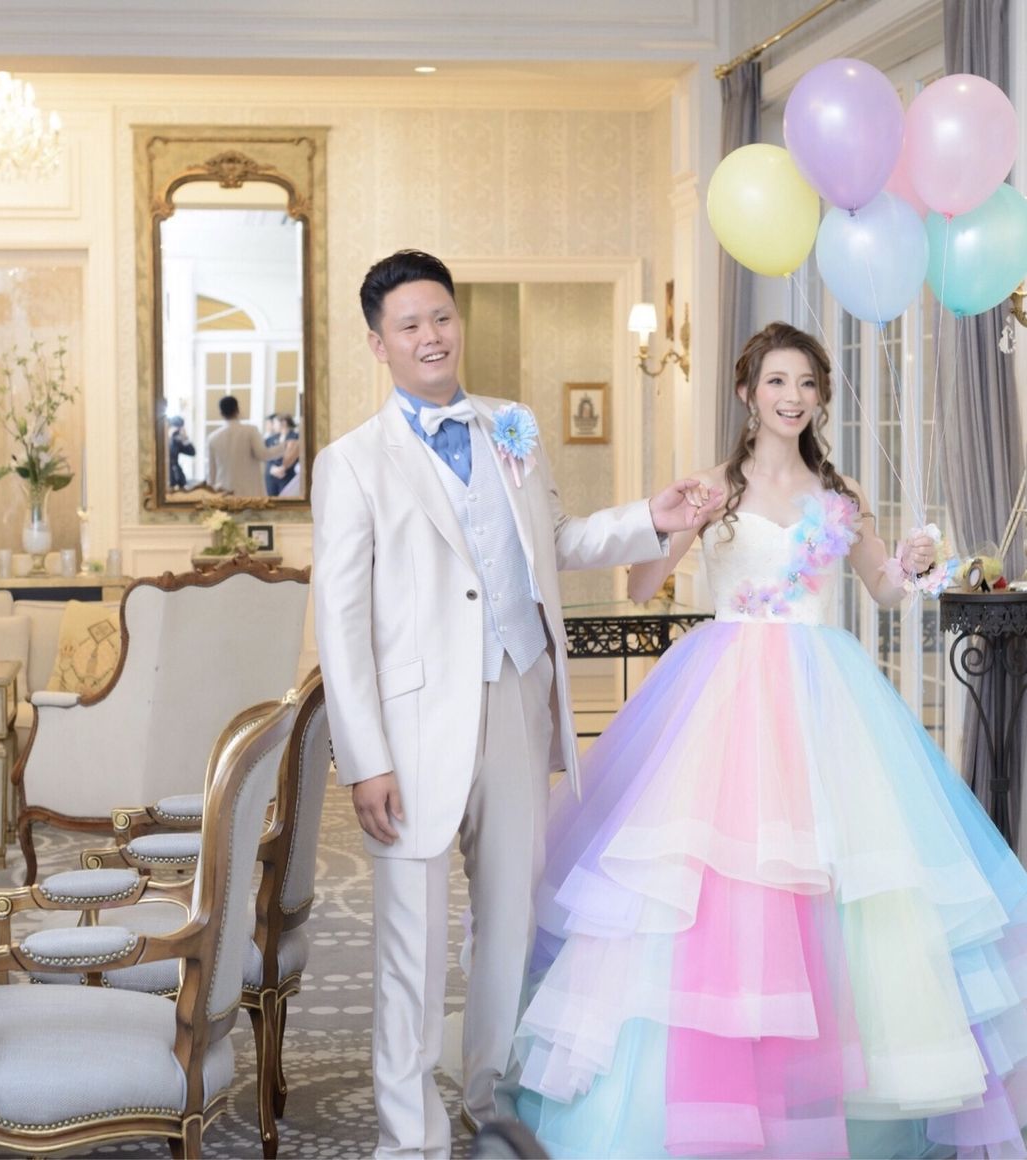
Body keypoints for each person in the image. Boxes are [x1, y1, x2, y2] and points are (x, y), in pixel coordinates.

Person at [513, 322, 1027, 1160]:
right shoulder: (714, 486)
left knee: (835, 888)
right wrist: (675, 526)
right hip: (723, 696)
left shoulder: (841, 491)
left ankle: (823, 1094)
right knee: (718, 884)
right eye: (778, 382)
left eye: (808, 384)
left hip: (827, 698)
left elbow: (884, 590)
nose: (794, 397)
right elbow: (644, 587)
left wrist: (911, 562)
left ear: (820, 397)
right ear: (747, 393)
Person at [311, 248, 723, 1160]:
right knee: (412, 944)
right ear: (379, 344)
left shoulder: (512, 428)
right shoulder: (353, 464)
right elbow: (339, 625)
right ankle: (409, 1136)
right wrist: (364, 758)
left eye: (441, 317)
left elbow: (558, 540)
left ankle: (489, 1103)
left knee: (508, 927)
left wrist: (650, 518)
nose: (431, 336)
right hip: (412, 731)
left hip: (518, 698)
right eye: (409, 325)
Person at [205, 394, 277, 497]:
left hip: (224, 493)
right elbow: (263, 455)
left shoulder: (212, 437)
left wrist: (211, 495)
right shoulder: (251, 431)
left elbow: (211, 473)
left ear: (221, 413)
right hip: (250, 493)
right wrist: (284, 448)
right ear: (237, 410)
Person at [266, 413, 301, 496]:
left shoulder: (297, 437)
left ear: (284, 423)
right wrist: (271, 468)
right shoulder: (270, 439)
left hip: (288, 475)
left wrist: (283, 468)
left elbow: (298, 455)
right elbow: (264, 456)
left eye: (275, 423)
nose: (273, 426)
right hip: (271, 476)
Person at [167, 415, 195, 490]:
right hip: (167, 477)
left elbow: (192, 452)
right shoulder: (162, 440)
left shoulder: (176, 441)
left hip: (179, 478)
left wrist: (185, 438)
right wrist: (168, 437)